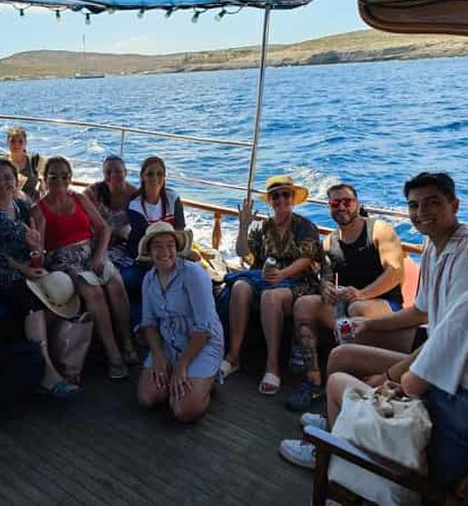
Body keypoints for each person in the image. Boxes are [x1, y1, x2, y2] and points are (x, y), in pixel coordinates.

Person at [289, 207, 468, 488]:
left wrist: (387, 381)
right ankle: (340, 431)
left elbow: (412, 385)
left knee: (338, 383)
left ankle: (335, 463)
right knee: (347, 363)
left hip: (430, 451)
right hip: (465, 439)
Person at [280, 172, 468, 467]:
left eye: (432, 203)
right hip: (429, 346)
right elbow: (422, 311)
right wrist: (329, 290)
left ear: (455, 205)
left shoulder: (465, 254)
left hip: (440, 364)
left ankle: (329, 450)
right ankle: (327, 404)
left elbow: (397, 274)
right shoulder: (433, 247)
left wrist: (389, 374)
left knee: (355, 317)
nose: (421, 212)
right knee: (331, 335)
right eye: (414, 205)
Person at [286, 183, 405, 411]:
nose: (341, 207)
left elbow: (396, 272)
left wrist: (362, 294)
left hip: (385, 305)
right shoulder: (329, 242)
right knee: (304, 305)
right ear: (329, 207)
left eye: (347, 202)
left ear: (357, 204)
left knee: (357, 309)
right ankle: (313, 380)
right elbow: (325, 277)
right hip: (349, 304)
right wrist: (325, 288)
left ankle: (359, 382)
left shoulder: (378, 230)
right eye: (335, 203)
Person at [0, 158, 78, 397]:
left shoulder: (22, 206)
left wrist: (36, 251)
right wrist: (22, 269)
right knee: (31, 299)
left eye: (7, 178)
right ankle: (47, 374)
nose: (2, 183)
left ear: (16, 181)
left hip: (22, 268)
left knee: (58, 289)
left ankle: (46, 358)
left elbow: (35, 245)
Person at [31, 156, 139, 379]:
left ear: (70, 177)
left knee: (115, 282)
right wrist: (36, 247)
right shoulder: (38, 210)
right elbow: (39, 253)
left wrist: (99, 256)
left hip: (91, 254)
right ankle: (113, 354)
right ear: (44, 178)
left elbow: (104, 228)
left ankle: (127, 343)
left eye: (64, 176)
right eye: (53, 176)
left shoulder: (79, 198)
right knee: (93, 291)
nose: (59, 180)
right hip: (62, 261)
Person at [221, 174, 326, 396]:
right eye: (276, 196)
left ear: (293, 198)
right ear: (270, 201)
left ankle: (272, 366)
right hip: (266, 279)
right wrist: (243, 227)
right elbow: (244, 253)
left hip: (298, 281)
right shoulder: (263, 227)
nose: (281, 200)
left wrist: (282, 274)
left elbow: (307, 259)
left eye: (286, 195)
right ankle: (234, 355)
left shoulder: (304, 226)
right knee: (240, 287)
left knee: (271, 297)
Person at [136, 222, 223, 422]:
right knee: (147, 398)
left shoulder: (194, 274)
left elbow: (204, 329)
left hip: (201, 343)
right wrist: (158, 356)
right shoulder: (149, 279)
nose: (165, 251)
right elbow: (148, 323)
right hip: (169, 342)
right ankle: (191, 381)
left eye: (170, 245)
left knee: (182, 410)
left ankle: (208, 381)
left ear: (177, 249)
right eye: (157, 246)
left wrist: (182, 365)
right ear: (149, 251)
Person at [121, 156, 186, 326]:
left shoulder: (173, 198)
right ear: (142, 177)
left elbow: (179, 232)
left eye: (159, 174)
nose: (155, 178)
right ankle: (140, 325)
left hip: (171, 255)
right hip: (144, 257)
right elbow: (146, 242)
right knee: (132, 281)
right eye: (150, 174)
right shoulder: (135, 205)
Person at [84, 155, 137, 269]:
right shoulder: (94, 191)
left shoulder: (134, 195)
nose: (113, 175)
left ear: (125, 172)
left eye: (118, 171)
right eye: (108, 172)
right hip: (96, 238)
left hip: (122, 241)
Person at [6, 126, 44, 202]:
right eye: (13, 141)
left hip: (32, 203)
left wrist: (42, 182)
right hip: (11, 203)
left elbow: (47, 177)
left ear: (25, 143)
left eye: (20, 141)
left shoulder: (35, 160)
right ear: (7, 142)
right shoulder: (2, 164)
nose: (16, 145)